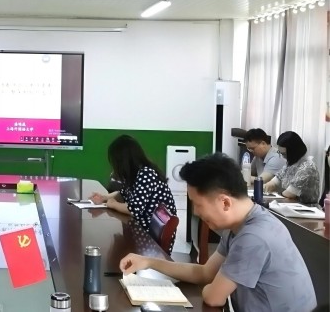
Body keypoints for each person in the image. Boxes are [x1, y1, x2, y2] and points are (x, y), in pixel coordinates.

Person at [120, 153, 316, 311]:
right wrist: (148, 262)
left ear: (225, 202)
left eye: (198, 204)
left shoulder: (254, 236)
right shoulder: (240, 225)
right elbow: (205, 273)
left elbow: (214, 297)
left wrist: (211, 287)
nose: (196, 212)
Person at [89, 135, 177, 251]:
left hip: (150, 241)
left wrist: (113, 204)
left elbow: (134, 209)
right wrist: (104, 197)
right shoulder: (136, 173)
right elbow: (123, 193)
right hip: (143, 231)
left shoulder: (146, 174)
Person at [263, 131, 320, 204]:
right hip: (291, 205)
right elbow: (276, 180)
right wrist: (266, 187)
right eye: (280, 153)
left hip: (306, 208)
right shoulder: (290, 163)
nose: (282, 156)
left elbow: (289, 194)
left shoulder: (308, 167)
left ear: (293, 152)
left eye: (284, 154)